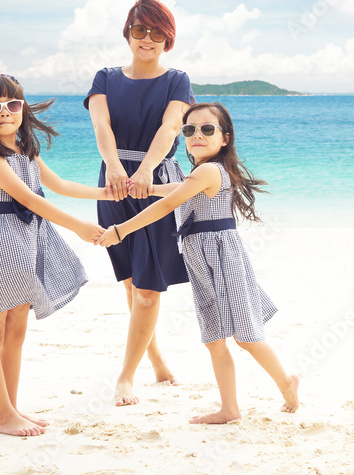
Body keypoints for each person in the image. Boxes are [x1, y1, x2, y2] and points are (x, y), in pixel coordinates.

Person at [98, 102, 300, 423]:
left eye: (208, 129)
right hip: (202, 258)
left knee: (245, 335)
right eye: (189, 129)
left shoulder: (208, 170)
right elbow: (176, 189)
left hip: (221, 257)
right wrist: (142, 188)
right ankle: (229, 408)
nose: (197, 135)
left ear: (225, 138)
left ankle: (286, 382)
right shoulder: (200, 173)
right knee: (214, 338)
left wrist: (121, 230)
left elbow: (168, 204)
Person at [0, 74, 106, 437]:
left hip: (26, 247)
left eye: (12, 104)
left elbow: (61, 186)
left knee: (16, 332)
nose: (5, 113)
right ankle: (2, 415)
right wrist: (78, 227)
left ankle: (11, 409)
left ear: (22, 106)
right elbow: (29, 199)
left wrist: (110, 194)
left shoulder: (27, 151)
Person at [84, 0, 196, 406]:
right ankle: (158, 361)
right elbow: (102, 126)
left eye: (156, 32)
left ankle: (126, 377)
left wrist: (147, 169)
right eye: (138, 30)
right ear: (127, 34)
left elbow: (170, 128)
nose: (146, 38)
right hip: (113, 185)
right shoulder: (106, 78)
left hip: (157, 186)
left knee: (149, 289)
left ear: (167, 38)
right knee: (132, 284)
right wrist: (114, 165)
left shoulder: (177, 80)